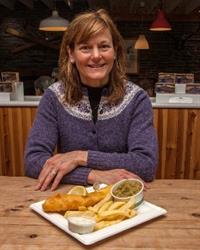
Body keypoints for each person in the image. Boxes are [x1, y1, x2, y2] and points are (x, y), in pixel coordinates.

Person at [24, 9, 158, 191]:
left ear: (116, 52)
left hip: (126, 201)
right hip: (72, 201)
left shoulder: (137, 99)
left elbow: (145, 165)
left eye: (104, 46)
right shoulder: (53, 97)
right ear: (71, 54)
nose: (96, 56)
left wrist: (80, 157)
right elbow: (33, 161)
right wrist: (92, 175)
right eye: (85, 47)